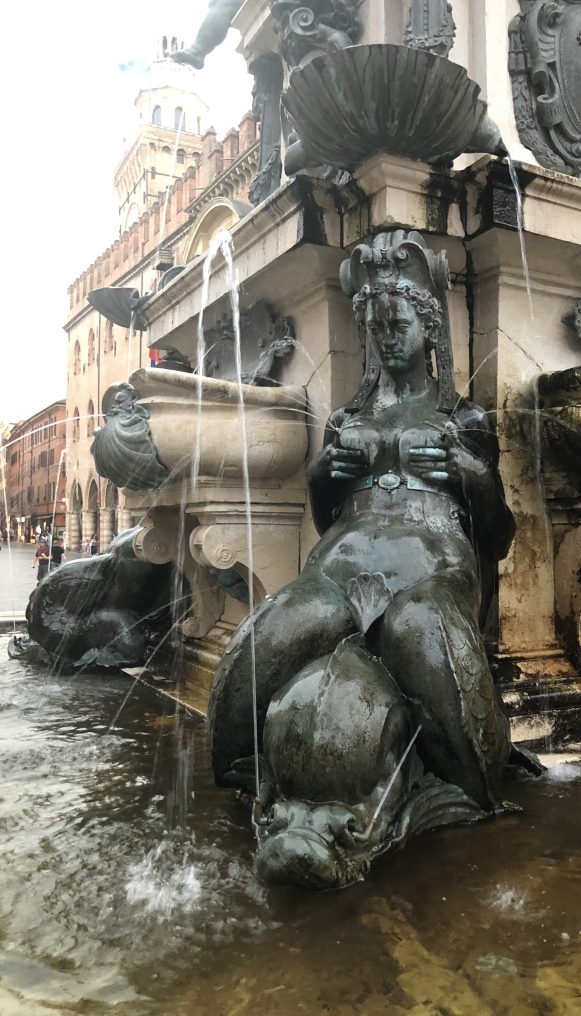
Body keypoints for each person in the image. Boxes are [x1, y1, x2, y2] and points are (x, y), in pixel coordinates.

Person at [209, 230, 520, 812]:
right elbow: (325, 519)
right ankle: (247, 769)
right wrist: (321, 475)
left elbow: (498, 537)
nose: (387, 338)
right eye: (376, 328)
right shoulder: (345, 420)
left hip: (433, 571)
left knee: (418, 626)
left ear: (429, 325)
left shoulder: (465, 419)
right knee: (282, 625)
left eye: (398, 325)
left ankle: (468, 784)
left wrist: (474, 476)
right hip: (339, 568)